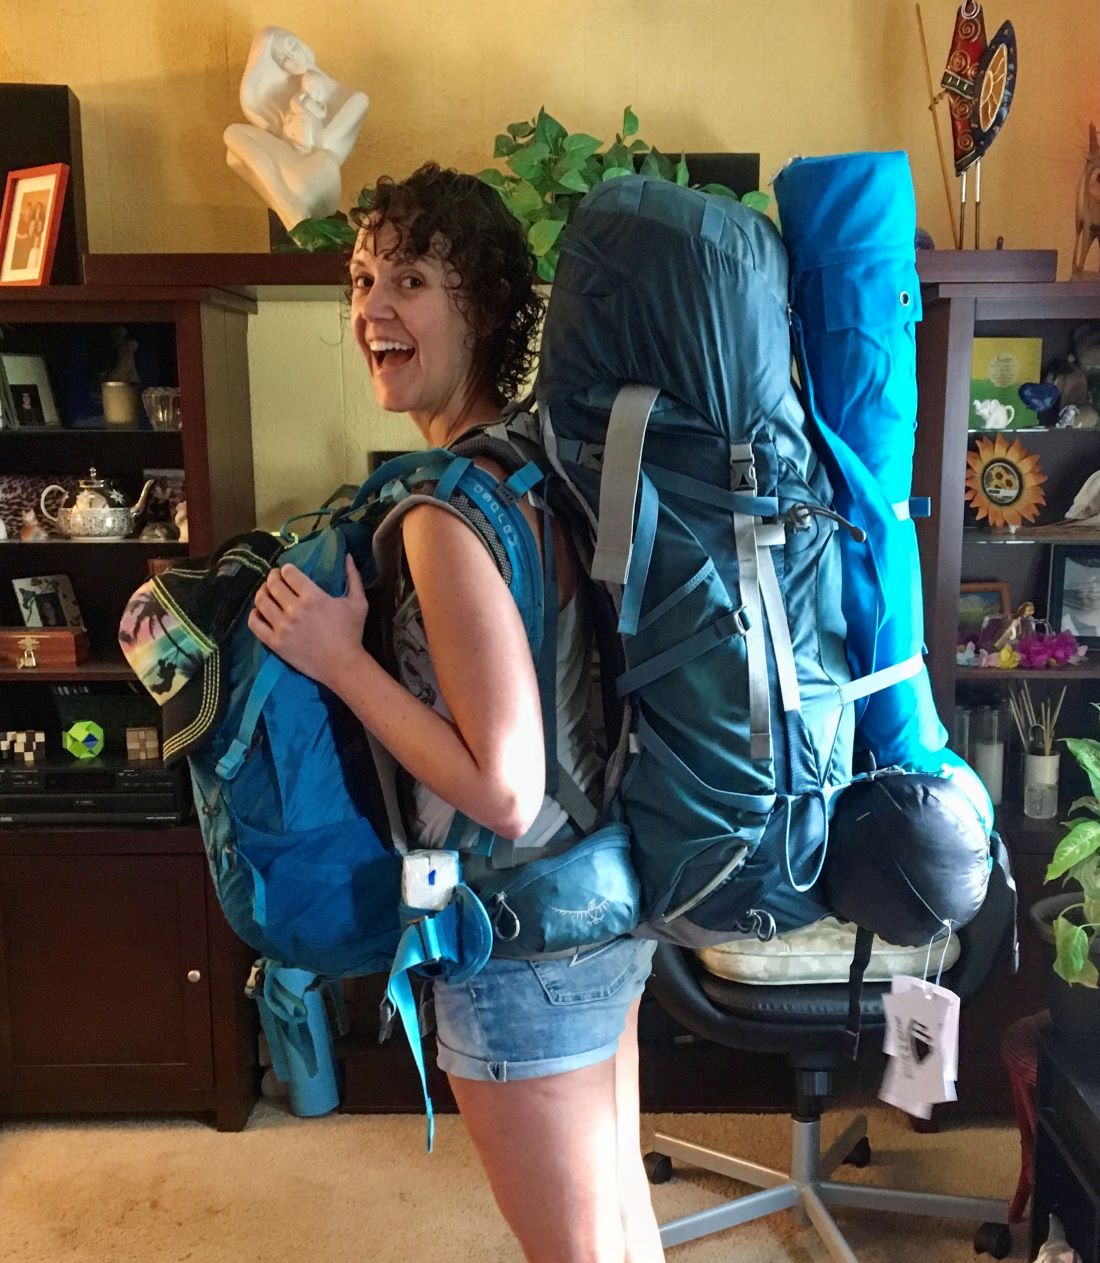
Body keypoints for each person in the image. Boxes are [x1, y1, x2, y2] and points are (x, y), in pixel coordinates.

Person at [246, 163, 665, 1263]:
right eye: (361, 278)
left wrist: (336, 660)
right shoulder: (538, 467)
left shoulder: (443, 511)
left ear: (478, 307)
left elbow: (501, 786)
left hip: (524, 939)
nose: (371, 308)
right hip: (602, 903)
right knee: (620, 1233)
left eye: (412, 280)